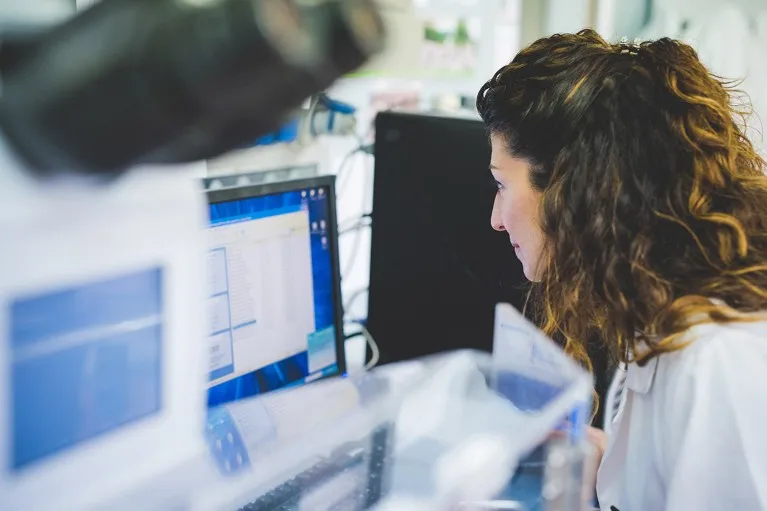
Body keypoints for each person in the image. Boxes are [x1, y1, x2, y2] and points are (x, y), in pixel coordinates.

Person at [477, 29, 767, 510]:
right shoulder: (664, 316)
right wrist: (614, 465)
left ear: (573, 193)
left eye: (502, 185)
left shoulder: (716, 361)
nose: (494, 217)